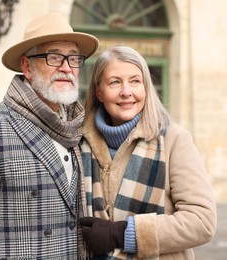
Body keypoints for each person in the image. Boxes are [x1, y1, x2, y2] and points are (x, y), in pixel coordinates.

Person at [0, 12, 99, 259]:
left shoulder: (79, 129)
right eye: (54, 57)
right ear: (27, 66)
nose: (66, 68)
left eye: (73, 58)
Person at [79, 45, 217, 259]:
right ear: (99, 91)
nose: (127, 92)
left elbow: (201, 221)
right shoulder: (78, 142)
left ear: (146, 88)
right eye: (115, 82)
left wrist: (122, 234)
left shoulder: (174, 139)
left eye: (135, 81)